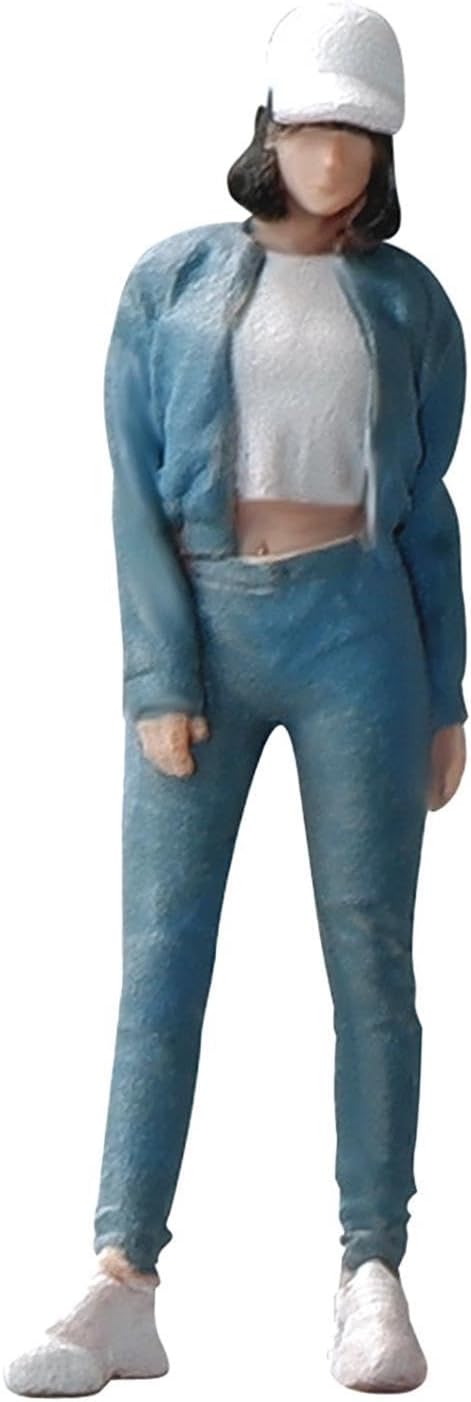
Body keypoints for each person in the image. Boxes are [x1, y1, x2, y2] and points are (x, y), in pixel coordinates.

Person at [3, 1, 468, 1394]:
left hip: (360, 635)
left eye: (359, 137)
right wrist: (157, 672)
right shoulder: (172, 280)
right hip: (205, 626)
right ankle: (121, 1278)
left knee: (372, 952)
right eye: (312, 128)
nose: (332, 157)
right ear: (269, 130)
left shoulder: (413, 303)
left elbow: (428, 510)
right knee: (162, 949)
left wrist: (446, 690)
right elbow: (133, 494)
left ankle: (373, 1267)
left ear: (384, 154)